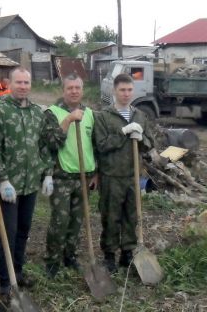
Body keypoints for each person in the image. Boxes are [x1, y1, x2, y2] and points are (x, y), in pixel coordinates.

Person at [0, 67, 52, 304]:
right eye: (19, 82)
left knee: (24, 230)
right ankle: (5, 283)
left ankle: (18, 271)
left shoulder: (37, 112)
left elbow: (43, 146)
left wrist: (47, 173)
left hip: (30, 183)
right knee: (9, 232)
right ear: (10, 84)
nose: (23, 86)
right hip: (9, 185)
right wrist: (2, 178)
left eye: (27, 82)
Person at [93, 73, 154, 273]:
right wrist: (123, 132)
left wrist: (141, 138)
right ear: (114, 91)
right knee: (111, 217)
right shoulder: (103, 116)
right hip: (111, 176)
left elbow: (150, 143)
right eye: (122, 90)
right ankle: (109, 255)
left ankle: (127, 253)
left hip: (132, 175)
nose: (126, 94)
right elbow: (100, 145)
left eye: (129, 90)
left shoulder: (140, 116)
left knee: (131, 215)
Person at [42, 73, 97, 278]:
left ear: (82, 90)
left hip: (84, 176)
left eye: (77, 88)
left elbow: (95, 145)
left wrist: (95, 173)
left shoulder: (90, 114)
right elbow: (51, 143)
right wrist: (67, 120)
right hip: (62, 176)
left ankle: (70, 256)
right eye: (70, 88)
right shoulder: (52, 113)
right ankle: (52, 261)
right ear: (63, 90)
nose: (74, 91)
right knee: (60, 221)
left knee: (77, 221)